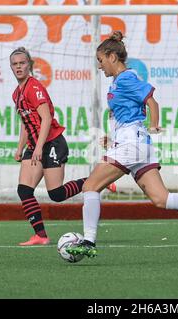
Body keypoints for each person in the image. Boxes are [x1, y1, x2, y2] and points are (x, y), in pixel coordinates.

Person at [66, 32, 178, 258]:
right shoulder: (118, 81)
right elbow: (130, 114)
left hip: (132, 144)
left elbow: (152, 101)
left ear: (112, 56)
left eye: (101, 60)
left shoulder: (126, 78)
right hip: (134, 144)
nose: (99, 66)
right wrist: (113, 139)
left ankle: (88, 241)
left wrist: (154, 125)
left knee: (90, 186)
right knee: (161, 199)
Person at [10, 47, 116, 246]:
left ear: (29, 65)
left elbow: (47, 118)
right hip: (35, 145)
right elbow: (26, 123)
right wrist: (19, 148)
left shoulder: (34, 88)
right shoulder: (17, 93)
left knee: (56, 195)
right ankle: (40, 236)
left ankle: (97, 180)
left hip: (52, 143)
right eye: (15, 64)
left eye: (22, 63)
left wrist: (40, 147)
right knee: (24, 191)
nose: (18, 67)